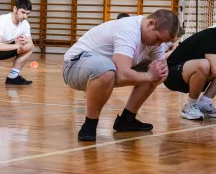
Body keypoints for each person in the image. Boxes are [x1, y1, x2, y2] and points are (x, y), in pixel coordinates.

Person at [63, 9, 179, 141]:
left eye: (163, 42)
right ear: (151, 23)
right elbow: (123, 74)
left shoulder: (154, 39)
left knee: (156, 70)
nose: (158, 44)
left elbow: (162, 72)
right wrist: (151, 76)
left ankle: (127, 119)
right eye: (158, 38)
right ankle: (90, 124)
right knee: (106, 71)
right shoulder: (128, 30)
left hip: (105, 68)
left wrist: (156, 75)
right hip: (74, 66)